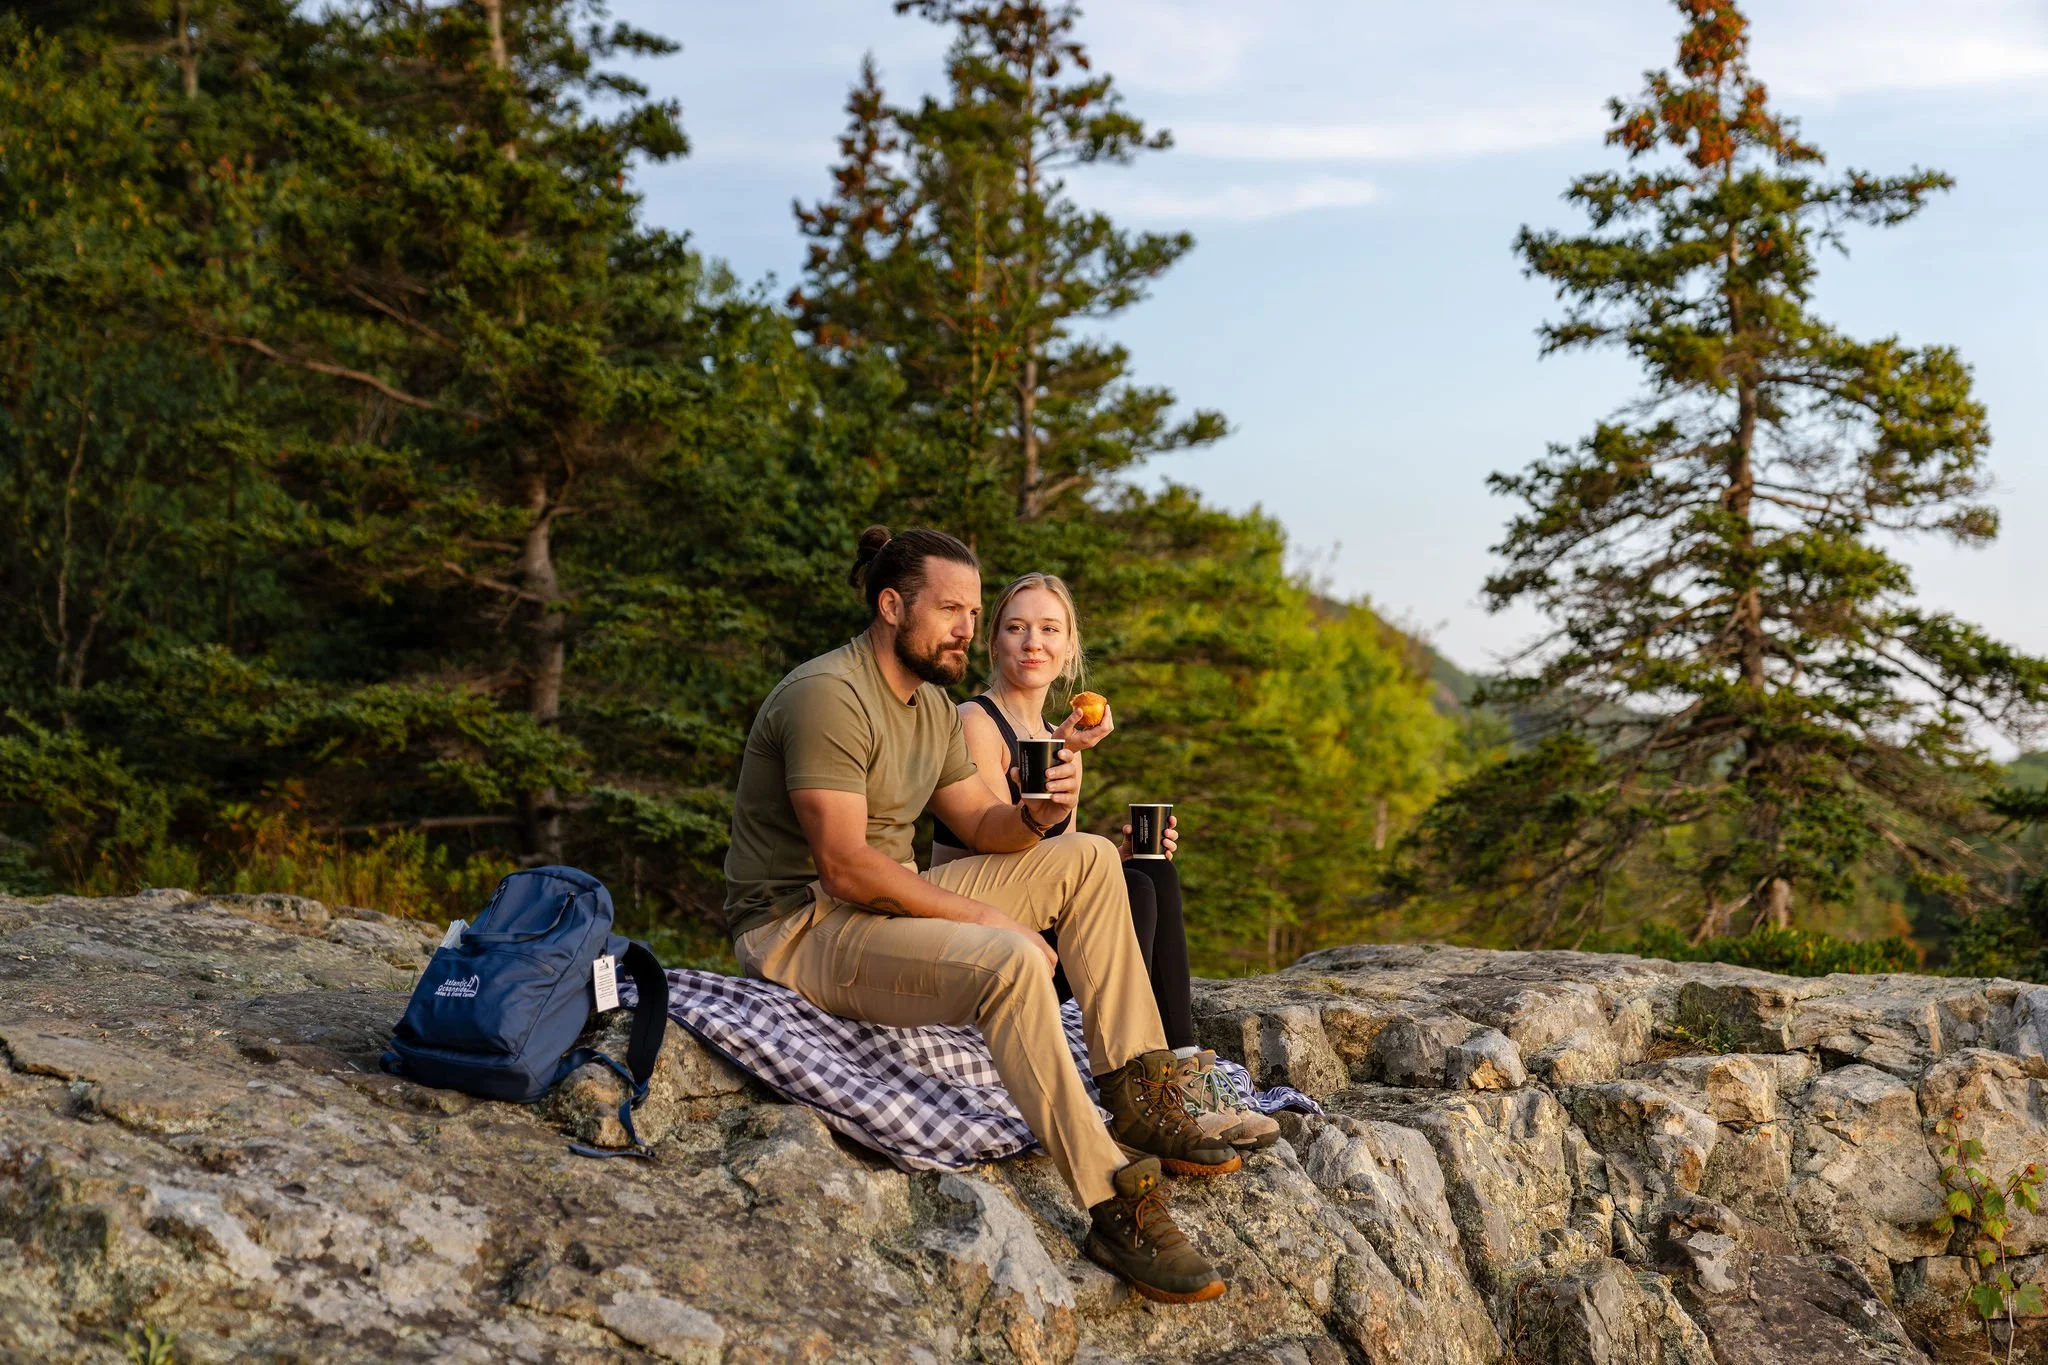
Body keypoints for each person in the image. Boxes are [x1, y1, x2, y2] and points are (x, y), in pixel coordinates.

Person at [722, 526, 1238, 1304]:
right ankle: (1112, 1199)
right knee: (1013, 962)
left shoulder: (929, 705)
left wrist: (1038, 813)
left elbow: (985, 825)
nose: (970, 626)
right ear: (893, 606)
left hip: (877, 908)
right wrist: (986, 921)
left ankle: (1138, 1091)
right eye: (953, 609)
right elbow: (845, 864)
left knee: (1094, 856)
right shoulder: (829, 693)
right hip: (803, 926)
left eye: (974, 608)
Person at [931, 572, 1280, 1151]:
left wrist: (1110, 858)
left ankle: (1184, 1068)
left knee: (1150, 870)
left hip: (1038, 925)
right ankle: (1142, 1085)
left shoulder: (1054, 737)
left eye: (1049, 629)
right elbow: (992, 846)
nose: (1032, 642)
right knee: (1135, 890)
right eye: (1016, 628)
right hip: (978, 933)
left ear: (1069, 649)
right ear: (993, 642)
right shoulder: (974, 722)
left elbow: (1052, 869)